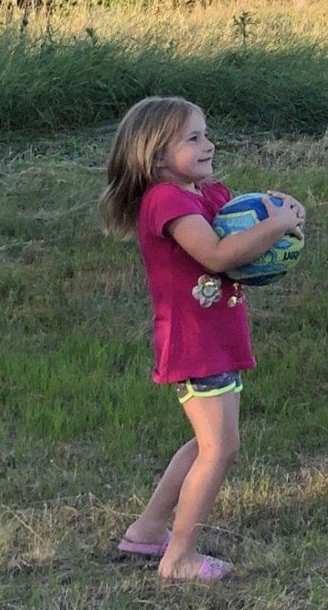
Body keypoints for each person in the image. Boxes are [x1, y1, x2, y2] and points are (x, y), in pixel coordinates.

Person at [99, 96, 305, 583]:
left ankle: (148, 531)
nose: (208, 144)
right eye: (193, 138)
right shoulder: (166, 201)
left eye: (206, 133)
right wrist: (276, 225)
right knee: (219, 449)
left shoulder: (207, 193)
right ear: (155, 155)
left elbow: (242, 236)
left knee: (206, 444)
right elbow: (216, 255)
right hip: (194, 344)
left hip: (216, 337)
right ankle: (180, 558)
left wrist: (280, 215)